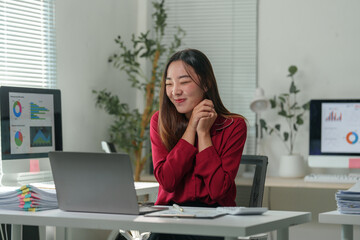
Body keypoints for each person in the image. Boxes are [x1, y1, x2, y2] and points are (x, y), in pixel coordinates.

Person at [148, 48, 247, 240]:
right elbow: (167, 181)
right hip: (170, 220)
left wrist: (203, 134)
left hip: (215, 221)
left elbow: (218, 190)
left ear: (206, 83)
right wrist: (191, 128)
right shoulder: (159, 122)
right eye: (169, 84)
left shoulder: (233, 126)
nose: (175, 91)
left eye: (184, 82)